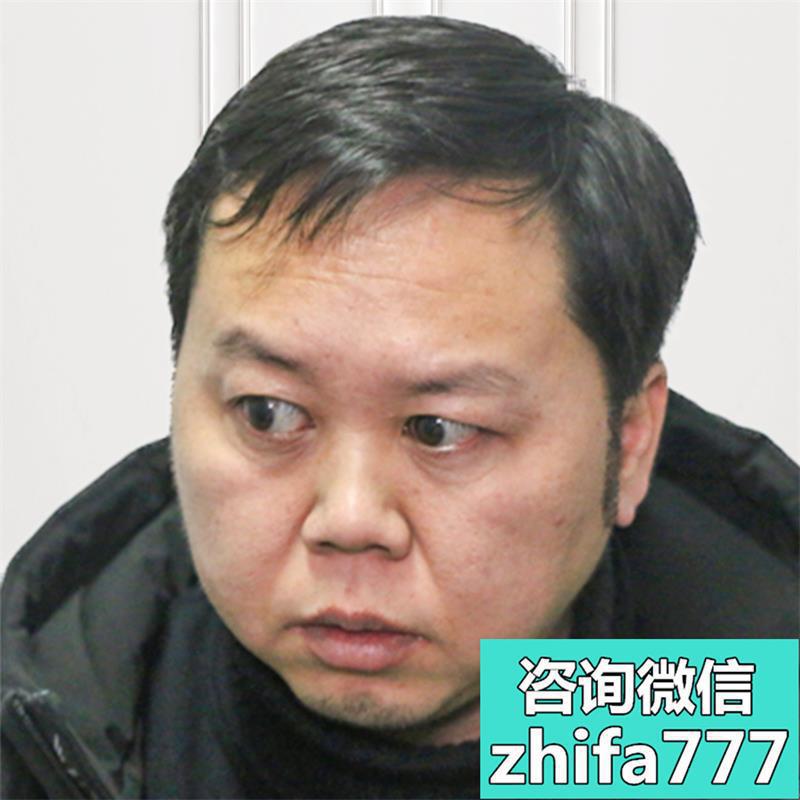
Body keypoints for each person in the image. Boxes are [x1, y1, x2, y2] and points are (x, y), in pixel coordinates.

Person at [2, 15, 797, 800]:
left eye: (439, 431)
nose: (350, 520)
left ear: (629, 442)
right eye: (270, 414)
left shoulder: (733, 731)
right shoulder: (68, 728)